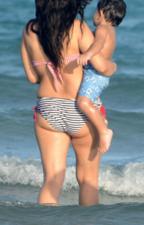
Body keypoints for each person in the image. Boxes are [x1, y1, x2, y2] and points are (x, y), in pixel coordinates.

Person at [21, 0, 116, 205]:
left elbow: (32, 77)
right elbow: (100, 66)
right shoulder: (78, 28)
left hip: (48, 108)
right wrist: (113, 67)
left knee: (51, 182)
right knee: (87, 180)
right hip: (80, 111)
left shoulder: (30, 30)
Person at [77, 0, 126, 153]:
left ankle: (104, 130)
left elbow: (97, 44)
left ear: (102, 13)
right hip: (99, 76)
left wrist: (88, 54)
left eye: (95, 11)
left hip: (95, 75)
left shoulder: (102, 29)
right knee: (89, 100)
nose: (93, 14)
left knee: (83, 102)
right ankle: (99, 118)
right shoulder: (111, 30)